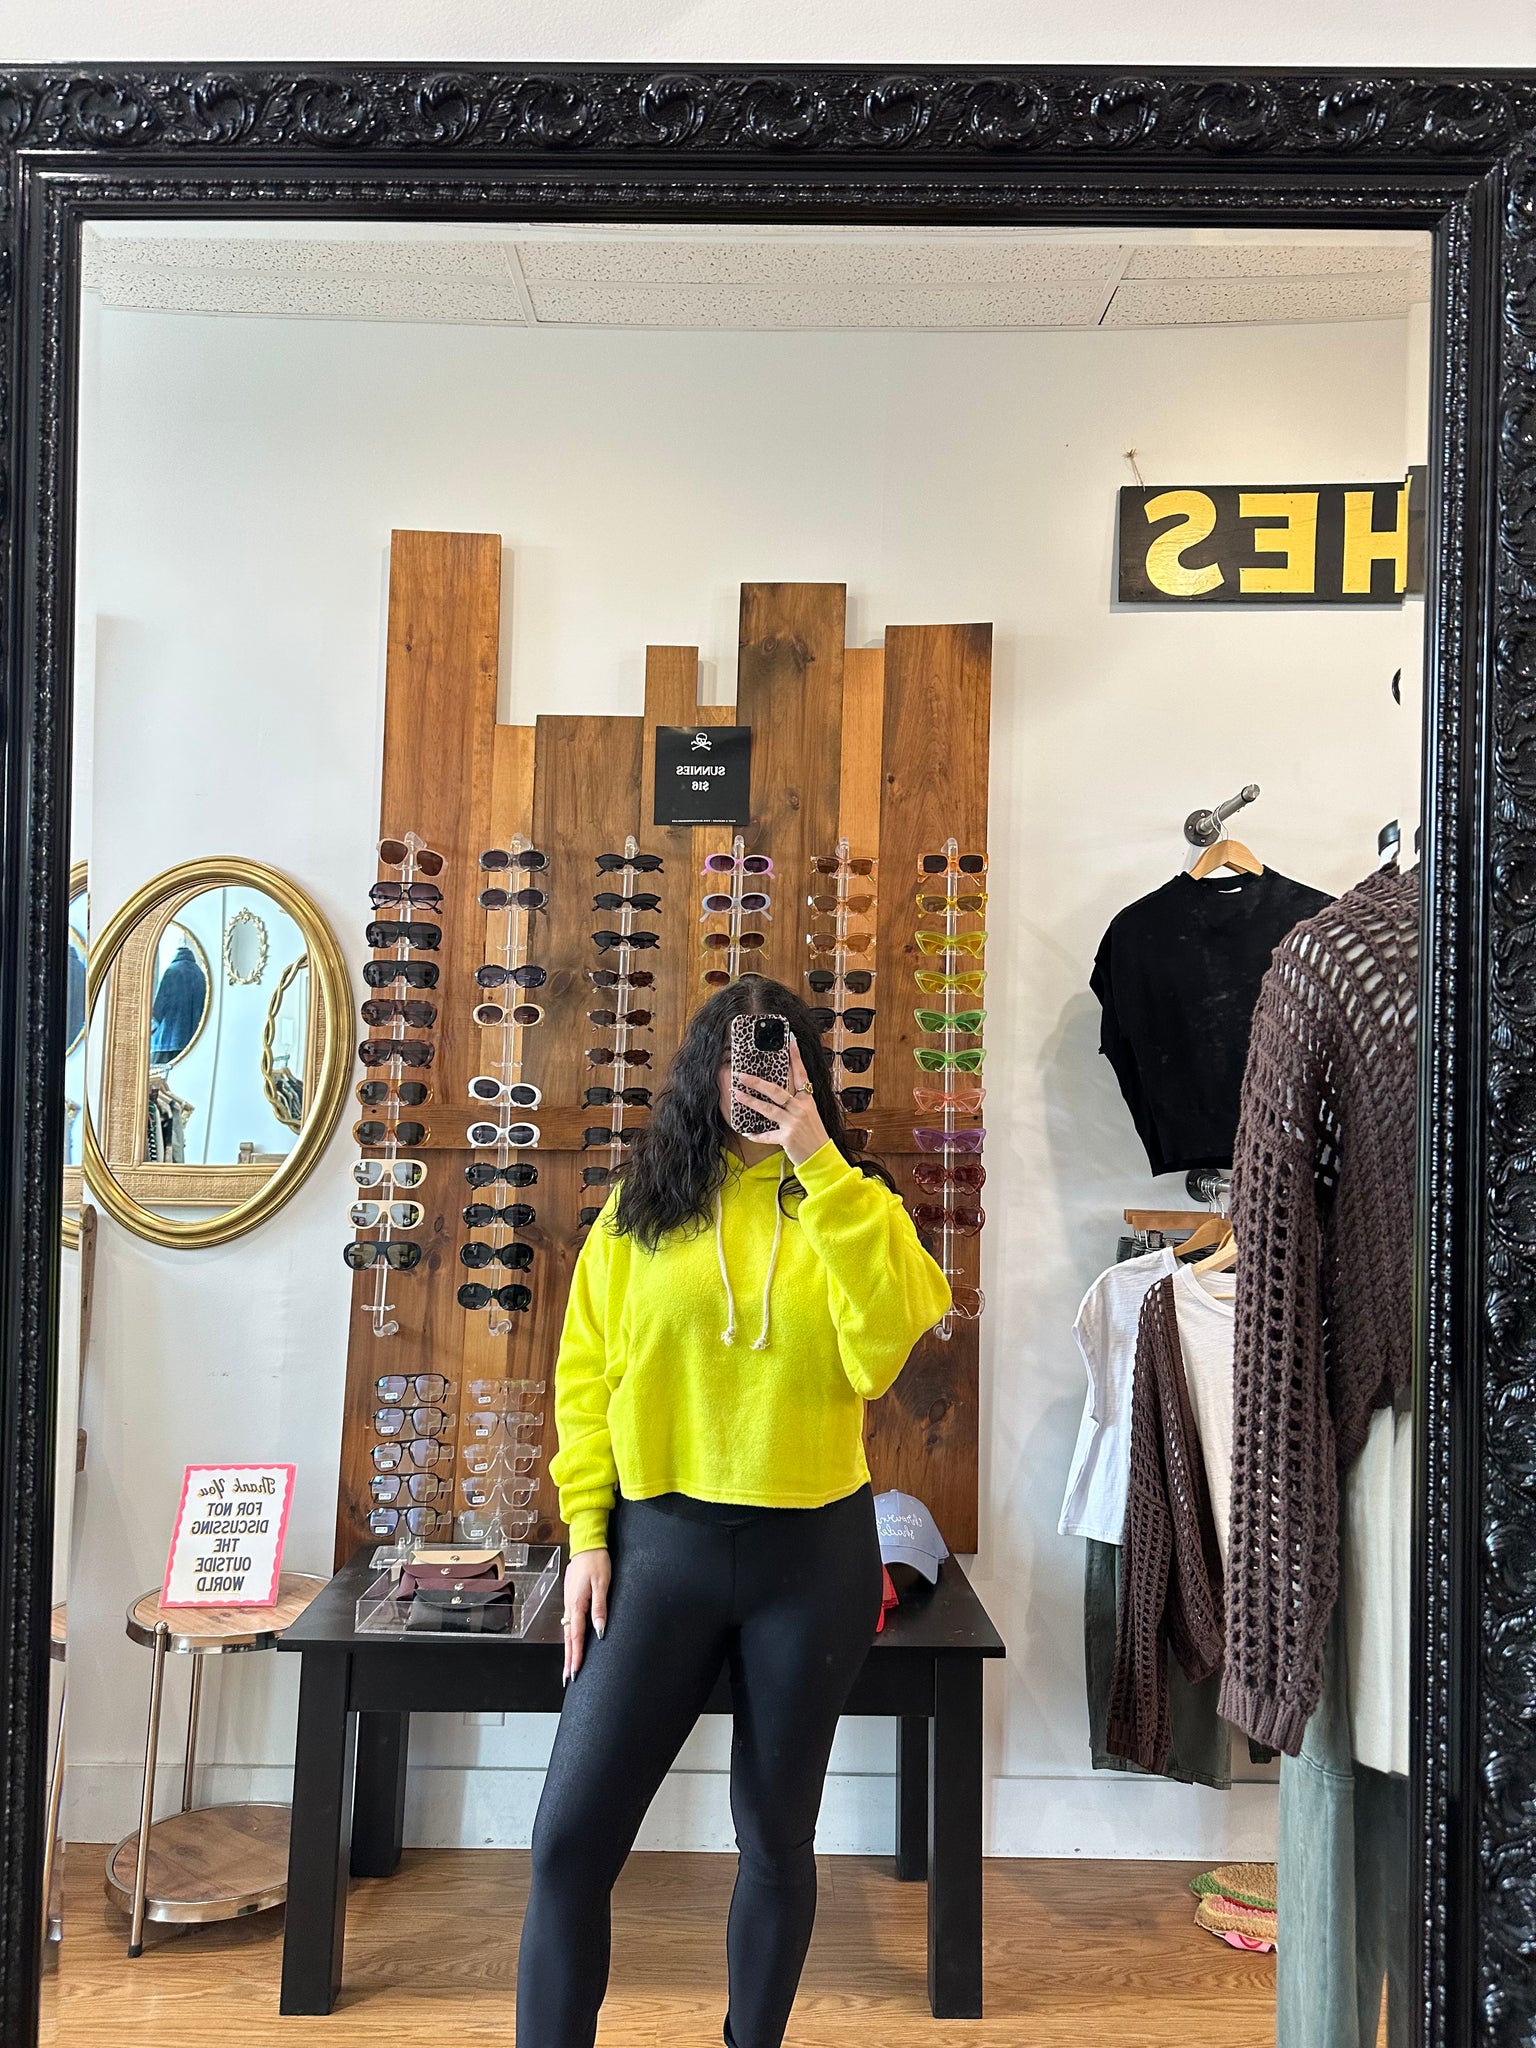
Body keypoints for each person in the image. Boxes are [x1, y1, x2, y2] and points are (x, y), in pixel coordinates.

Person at [515, 973, 950, 2048]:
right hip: (657, 1548)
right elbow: (585, 1377)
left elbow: (882, 1352)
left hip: (814, 1556)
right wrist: (586, 1533)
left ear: (806, 1073)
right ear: (702, 1071)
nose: (753, 1079)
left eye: (777, 1057)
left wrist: (818, 1159)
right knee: (567, 1841)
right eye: (735, 1056)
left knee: (775, 1838)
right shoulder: (640, 1208)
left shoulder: (856, 1201)